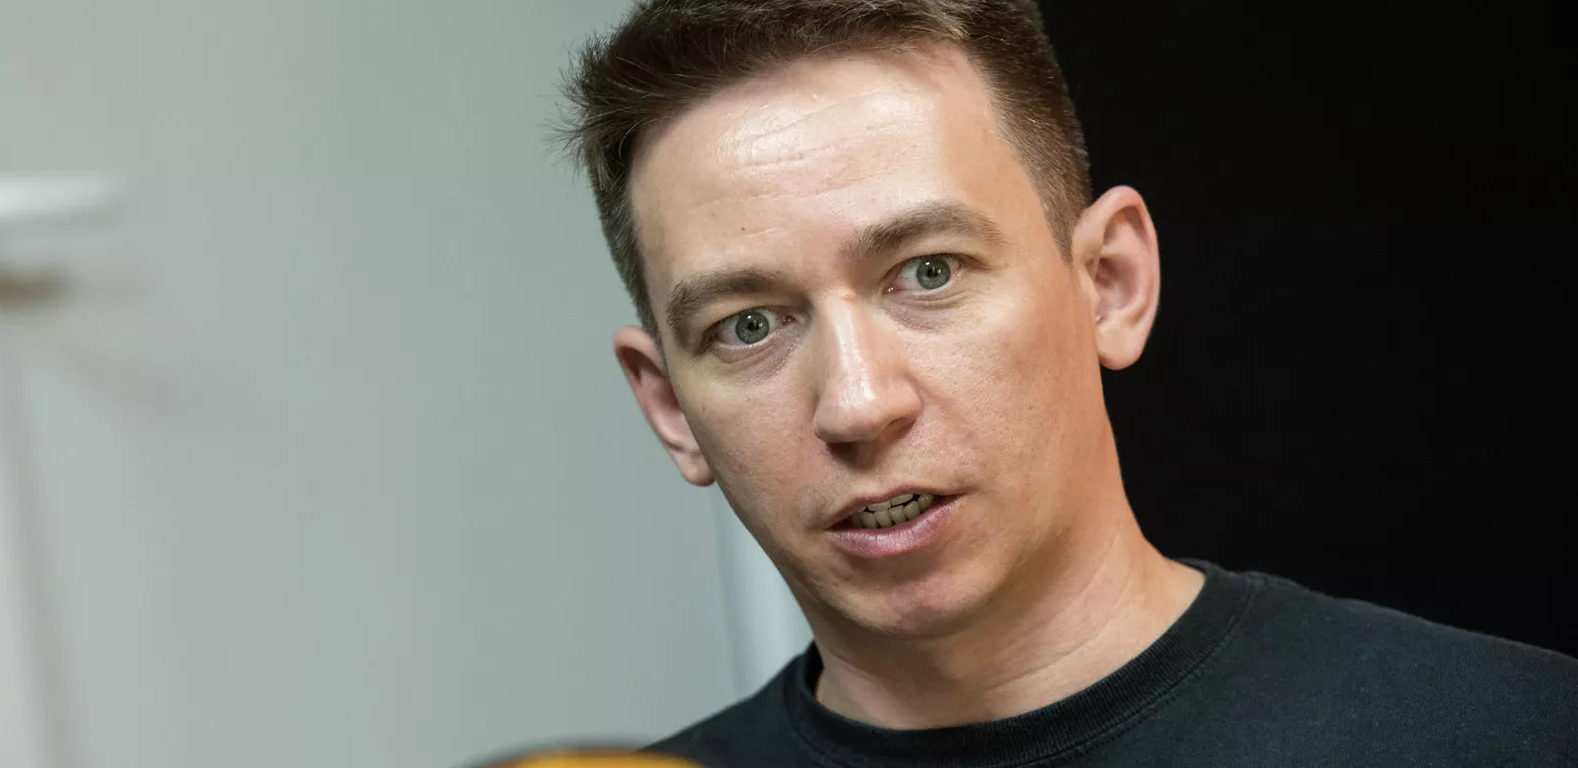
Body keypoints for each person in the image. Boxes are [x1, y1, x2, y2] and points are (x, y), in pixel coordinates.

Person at [555, 2, 1578, 765]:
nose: (859, 404)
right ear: (669, 408)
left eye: (929, 273)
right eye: (748, 326)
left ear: (1110, 284)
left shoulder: (1514, 735)